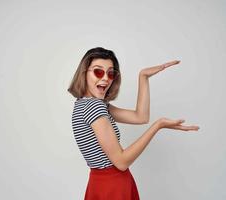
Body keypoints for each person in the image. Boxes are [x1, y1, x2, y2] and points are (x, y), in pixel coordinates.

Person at [67, 47, 200, 200]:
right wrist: (158, 125)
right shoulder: (94, 107)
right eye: (98, 71)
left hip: (99, 183)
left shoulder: (83, 104)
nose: (105, 78)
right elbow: (122, 162)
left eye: (111, 73)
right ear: (84, 73)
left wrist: (143, 77)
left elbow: (140, 117)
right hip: (113, 185)